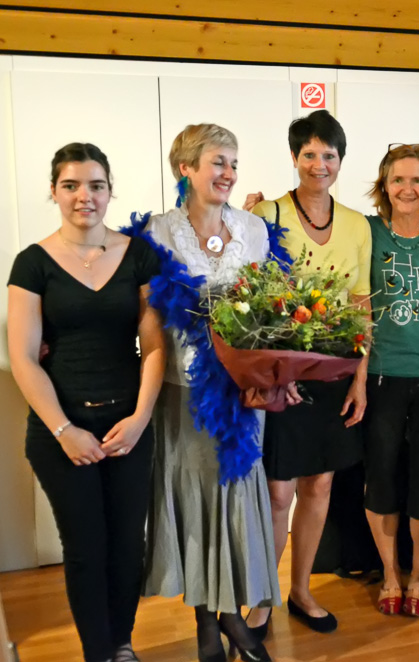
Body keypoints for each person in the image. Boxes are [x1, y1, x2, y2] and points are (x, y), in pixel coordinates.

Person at [7, 143, 165, 662]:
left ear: (110, 190)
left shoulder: (138, 256)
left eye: (96, 185)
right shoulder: (32, 263)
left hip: (127, 428)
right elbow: (24, 358)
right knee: (85, 549)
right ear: (54, 191)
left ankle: (121, 644)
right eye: (71, 185)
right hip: (60, 432)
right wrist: (64, 431)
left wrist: (140, 418)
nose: (84, 197)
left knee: (128, 546)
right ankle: (97, 653)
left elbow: (155, 346)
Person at [141, 124, 279, 662]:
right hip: (185, 390)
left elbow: (272, 310)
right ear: (186, 168)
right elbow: (146, 315)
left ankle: (230, 615)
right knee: (196, 501)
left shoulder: (254, 229)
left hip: (243, 395)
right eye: (218, 162)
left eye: (233, 163)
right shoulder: (157, 231)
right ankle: (209, 619)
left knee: (237, 499)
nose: (228, 173)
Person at [245, 109, 372, 637]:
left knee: (320, 485)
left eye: (329, 155)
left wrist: (360, 378)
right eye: (310, 154)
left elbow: (362, 304)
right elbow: (252, 301)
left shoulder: (358, 224)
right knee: (278, 493)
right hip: (283, 376)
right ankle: (262, 600)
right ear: (294, 158)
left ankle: (301, 591)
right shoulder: (266, 215)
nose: (320, 164)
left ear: (341, 160)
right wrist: (275, 372)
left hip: (336, 373)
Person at [362, 143, 419, 617]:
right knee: (381, 479)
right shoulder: (367, 231)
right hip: (382, 375)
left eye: (417, 179)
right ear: (384, 184)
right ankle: (390, 574)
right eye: (398, 179)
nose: (407, 188)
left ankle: (418, 576)